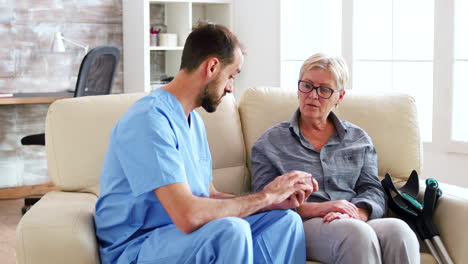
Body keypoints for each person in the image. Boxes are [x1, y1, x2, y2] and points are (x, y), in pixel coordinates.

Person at [94, 23, 316, 264]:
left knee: (285, 221)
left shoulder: (195, 123)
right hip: (139, 246)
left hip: (184, 238)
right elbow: (188, 215)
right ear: (212, 67)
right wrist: (265, 198)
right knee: (231, 231)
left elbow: (209, 195)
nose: (231, 87)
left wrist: (271, 202)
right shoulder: (149, 119)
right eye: (231, 75)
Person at [251, 53, 420, 264]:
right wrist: (324, 208)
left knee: (399, 231)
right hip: (303, 223)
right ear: (298, 88)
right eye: (307, 86)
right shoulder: (270, 143)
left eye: (324, 90)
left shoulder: (358, 139)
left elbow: (373, 189)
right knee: (356, 234)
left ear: (339, 97)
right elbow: (261, 202)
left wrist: (358, 213)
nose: (313, 95)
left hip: (351, 217)